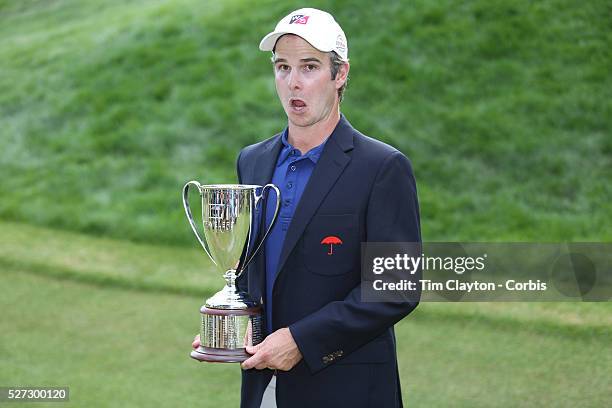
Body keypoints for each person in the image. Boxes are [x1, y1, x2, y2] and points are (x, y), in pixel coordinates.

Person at [193, 7, 421, 408]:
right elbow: (254, 270)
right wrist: (233, 324)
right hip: (263, 386)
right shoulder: (253, 161)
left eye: (309, 67)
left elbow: (395, 290)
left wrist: (301, 341)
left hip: (346, 389)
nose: (293, 83)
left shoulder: (382, 168)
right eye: (282, 67)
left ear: (340, 74)